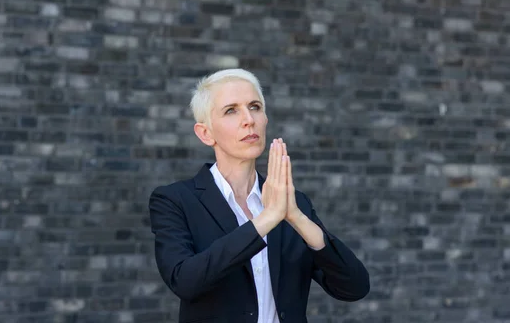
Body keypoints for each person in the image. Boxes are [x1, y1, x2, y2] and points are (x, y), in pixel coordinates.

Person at [149, 68, 370, 323]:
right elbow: (185, 281)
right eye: (231, 110)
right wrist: (266, 219)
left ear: (265, 118)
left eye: (254, 107)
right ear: (205, 133)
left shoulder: (292, 203)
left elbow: (354, 287)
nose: (248, 119)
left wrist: (296, 218)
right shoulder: (175, 201)